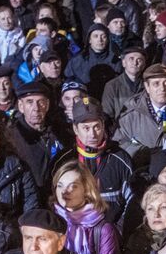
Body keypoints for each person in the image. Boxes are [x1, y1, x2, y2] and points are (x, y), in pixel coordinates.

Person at [53, 98, 135, 229]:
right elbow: (53, 203)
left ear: (103, 125)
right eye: (86, 128)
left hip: (112, 235)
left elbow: (132, 201)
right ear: (75, 129)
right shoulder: (63, 160)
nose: (92, 134)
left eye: (96, 126)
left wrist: (115, 233)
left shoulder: (120, 159)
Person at [51, 161, 121, 254]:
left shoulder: (103, 229)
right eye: (60, 185)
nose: (65, 191)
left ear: (87, 190)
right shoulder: (49, 223)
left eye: (73, 186)